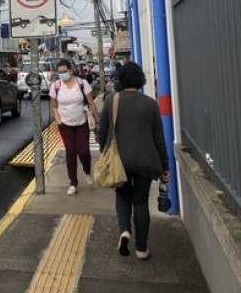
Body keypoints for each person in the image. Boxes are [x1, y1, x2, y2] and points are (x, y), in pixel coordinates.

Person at [98, 62, 169, 261]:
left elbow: (102, 131)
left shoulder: (112, 101)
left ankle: (125, 231)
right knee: (140, 201)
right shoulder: (151, 104)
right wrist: (165, 165)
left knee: (122, 195)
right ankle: (141, 249)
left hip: (120, 160)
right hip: (146, 160)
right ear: (140, 80)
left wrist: (104, 150)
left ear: (120, 79)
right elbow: (159, 139)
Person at [50, 58, 100, 196]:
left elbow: (91, 103)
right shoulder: (56, 86)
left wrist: (97, 121)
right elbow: (54, 106)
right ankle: (73, 183)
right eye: (60, 72)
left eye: (64, 71)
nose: (62, 74)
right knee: (70, 152)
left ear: (71, 70)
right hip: (65, 125)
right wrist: (58, 119)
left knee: (84, 151)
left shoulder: (82, 83)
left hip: (81, 123)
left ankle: (87, 171)